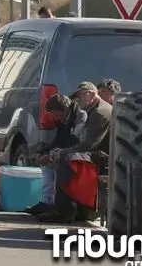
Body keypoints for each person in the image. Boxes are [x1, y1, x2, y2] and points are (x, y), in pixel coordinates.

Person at [36, 82, 113, 222]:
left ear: (92, 94)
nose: (77, 100)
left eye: (81, 95)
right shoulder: (91, 111)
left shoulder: (100, 113)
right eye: (76, 97)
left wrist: (62, 151)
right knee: (62, 155)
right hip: (95, 152)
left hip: (105, 156)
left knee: (65, 158)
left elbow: (89, 145)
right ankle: (61, 205)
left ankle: (65, 211)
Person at [26, 94, 88, 217]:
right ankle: (47, 201)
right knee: (46, 158)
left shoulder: (80, 116)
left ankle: (60, 205)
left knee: (57, 159)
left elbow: (75, 141)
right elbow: (58, 140)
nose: (55, 117)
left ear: (64, 108)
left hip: (82, 151)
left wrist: (51, 156)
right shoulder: (62, 119)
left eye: (56, 113)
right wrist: (43, 151)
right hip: (68, 149)